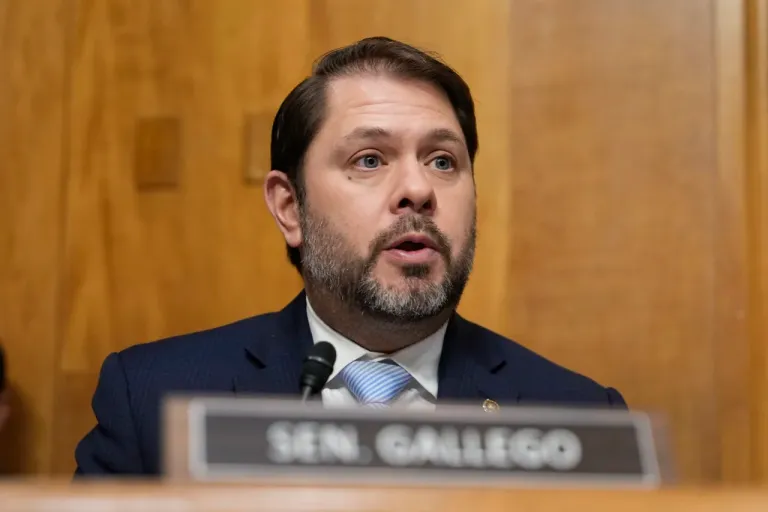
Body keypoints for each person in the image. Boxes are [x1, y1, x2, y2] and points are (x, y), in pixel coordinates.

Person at [74, 37, 626, 475]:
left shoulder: (578, 417)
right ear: (290, 207)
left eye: (442, 161)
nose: (418, 189)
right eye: (369, 159)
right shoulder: (154, 398)